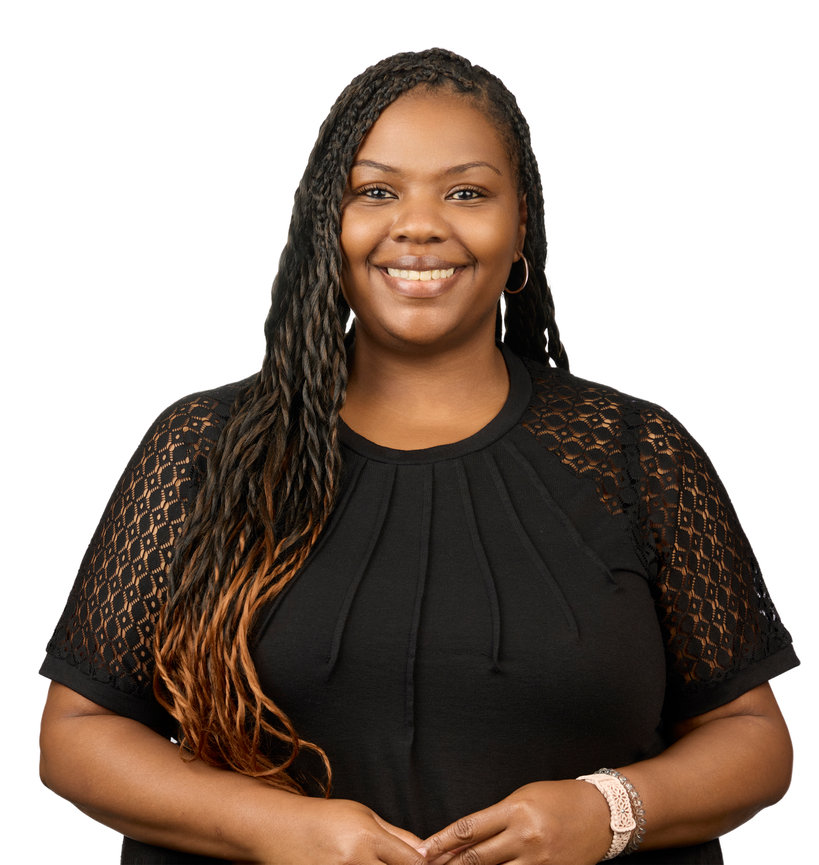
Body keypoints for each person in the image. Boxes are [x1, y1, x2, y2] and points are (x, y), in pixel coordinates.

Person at [39, 48, 798, 865]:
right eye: (376, 191)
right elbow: (78, 734)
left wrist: (608, 809)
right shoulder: (205, 449)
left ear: (520, 236)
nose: (420, 223)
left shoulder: (635, 454)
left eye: (466, 192)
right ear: (327, 225)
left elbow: (750, 736)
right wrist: (271, 827)